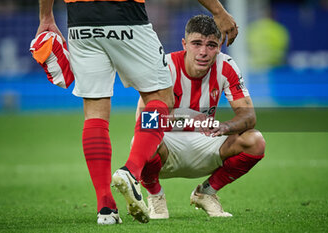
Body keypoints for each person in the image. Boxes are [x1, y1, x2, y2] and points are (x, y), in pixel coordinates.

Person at [36, 0, 238, 225]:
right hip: (125, 14)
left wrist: (46, 16)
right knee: (161, 98)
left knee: (94, 112)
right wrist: (218, 12)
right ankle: (131, 172)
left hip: (80, 20)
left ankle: (106, 208)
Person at [136, 15, 266, 219]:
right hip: (167, 147)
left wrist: (225, 127)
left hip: (207, 142)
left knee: (255, 140)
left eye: (211, 45)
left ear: (220, 46)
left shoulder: (227, 66)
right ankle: (155, 196)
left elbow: (248, 115)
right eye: (197, 44)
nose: (203, 52)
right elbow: (144, 122)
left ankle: (206, 192)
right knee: (141, 140)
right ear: (184, 44)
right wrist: (187, 117)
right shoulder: (164, 67)